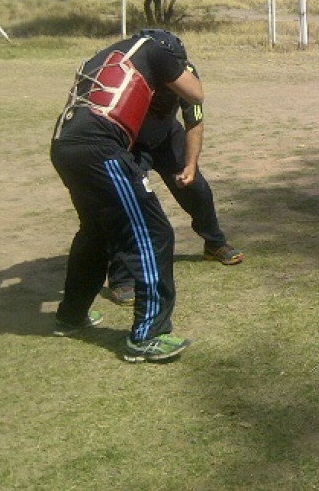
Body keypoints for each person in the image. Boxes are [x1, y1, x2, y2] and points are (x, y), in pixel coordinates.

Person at [50, 30, 204, 363]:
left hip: (64, 144)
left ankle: (70, 315)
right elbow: (196, 93)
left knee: (95, 231)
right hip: (100, 149)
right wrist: (177, 74)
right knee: (153, 232)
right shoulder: (158, 52)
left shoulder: (106, 54)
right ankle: (147, 334)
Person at [101, 29, 242, 307]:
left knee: (198, 189)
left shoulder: (186, 73)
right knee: (129, 205)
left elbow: (194, 122)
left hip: (167, 136)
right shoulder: (127, 74)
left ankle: (214, 242)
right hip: (131, 141)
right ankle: (121, 276)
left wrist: (190, 165)